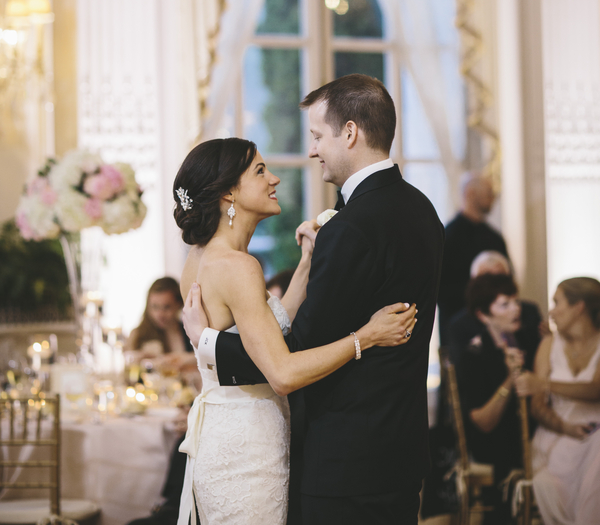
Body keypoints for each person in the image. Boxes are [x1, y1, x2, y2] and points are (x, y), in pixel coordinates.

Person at [185, 74, 444, 525]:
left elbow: (292, 353)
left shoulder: (350, 228)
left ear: (350, 133)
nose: (310, 150)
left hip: (345, 463)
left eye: (318, 135)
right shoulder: (423, 211)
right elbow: (287, 350)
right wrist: (310, 266)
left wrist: (207, 343)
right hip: (400, 452)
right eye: (261, 170)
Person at [453, 273, 540, 524]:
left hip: (528, 432)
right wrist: (510, 380)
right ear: (483, 314)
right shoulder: (473, 354)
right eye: (505, 304)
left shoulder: (527, 339)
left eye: (516, 301)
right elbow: (483, 422)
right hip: (491, 442)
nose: (516, 309)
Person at [530, 277, 600, 525]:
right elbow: (536, 405)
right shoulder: (549, 345)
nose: (551, 311)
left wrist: (544, 384)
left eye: (557, 302)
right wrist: (565, 427)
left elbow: (596, 389)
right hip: (557, 432)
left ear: (578, 307)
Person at [438, 174, 509, 345]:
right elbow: (440, 288)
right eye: (488, 193)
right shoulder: (448, 237)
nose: (493, 198)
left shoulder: (494, 238)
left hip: (495, 326)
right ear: (470, 193)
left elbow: (507, 282)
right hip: (456, 325)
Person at [447, 252, 543, 364]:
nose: (495, 286)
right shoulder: (460, 327)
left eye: (500, 279)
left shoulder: (528, 313)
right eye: (486, 280)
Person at [126, 277, 195, 373]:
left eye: (166, 307)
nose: (160, 314)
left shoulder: (190, 331)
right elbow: (128, 372)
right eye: (154, 307)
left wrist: (182, 359)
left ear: (178, 304)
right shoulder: (137, 334)